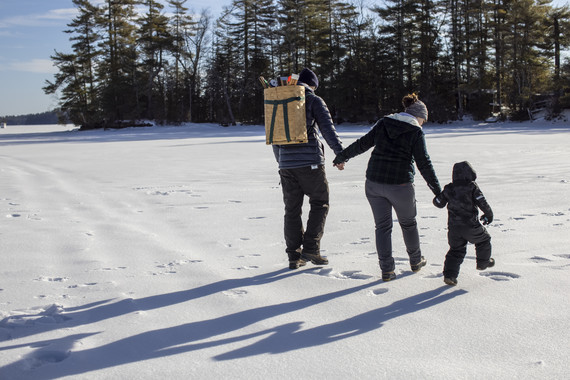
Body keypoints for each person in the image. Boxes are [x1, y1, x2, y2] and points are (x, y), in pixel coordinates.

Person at [333, 93, 441, 281]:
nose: (423, 123)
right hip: (400, 186)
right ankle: (415, 261)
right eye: (423, 120)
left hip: (374, 183)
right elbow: (424, 164)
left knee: (382, 227)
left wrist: (341, 157)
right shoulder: (415, 132)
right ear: (418, 116)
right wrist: (438, 191)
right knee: (408, 224)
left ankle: (387, 270)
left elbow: (363, 144)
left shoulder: (384, 123)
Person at [273, 68, 344, 270]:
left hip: (286, 165)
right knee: (320, 202)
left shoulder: (281, 101)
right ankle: (311, 247)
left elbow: (275, 136)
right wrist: (339, 154)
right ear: (312, 85)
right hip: (310, 162)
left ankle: (294, 257)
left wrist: (282, 162)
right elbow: (327, 129)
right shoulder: (313, 100)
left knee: (292, 210)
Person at [433, 161, 494, 286]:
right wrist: (489, 215)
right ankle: (483, 263)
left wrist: (440, 195)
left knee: (456, 250)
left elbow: (438, 203)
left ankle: (450, 276)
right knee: (484, 240)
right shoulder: (472, 187)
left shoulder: (449, 188)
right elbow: (482, 202)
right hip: (470, 226)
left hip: (454, 228)